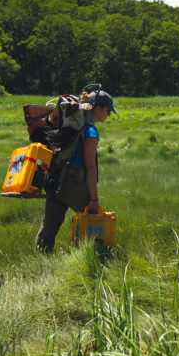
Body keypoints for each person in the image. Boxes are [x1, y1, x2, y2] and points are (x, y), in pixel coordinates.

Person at [35, 90, 117, 252]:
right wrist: (93, 200)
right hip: (73, 183)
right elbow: (90, 167)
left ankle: (40, 259)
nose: (108, 115)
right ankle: (94, 255)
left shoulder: (70, 125)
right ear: (98, 108)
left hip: (55, 181)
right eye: (108, 111)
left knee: (49, 225)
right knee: (94, 219)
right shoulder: (90, 131)